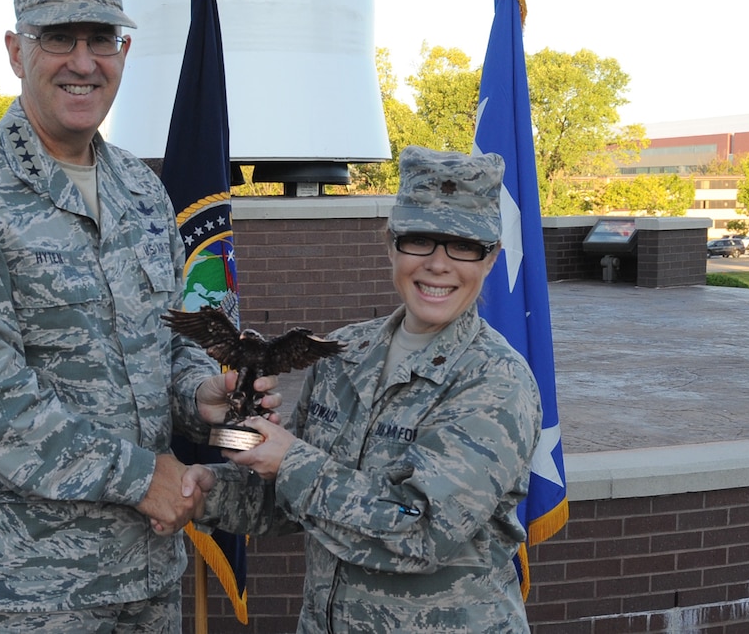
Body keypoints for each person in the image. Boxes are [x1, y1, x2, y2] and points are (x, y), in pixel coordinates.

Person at [0, 0, 276, 632]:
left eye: (101, 39)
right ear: (17, 51)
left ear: (123, 50)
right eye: (58, 37)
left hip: (146, 583)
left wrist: (204, 398)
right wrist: (141, 478)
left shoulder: (143, 193)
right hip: (18, 597)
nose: (83, 60)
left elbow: (173, 345)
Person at [186, 147, 543, 633]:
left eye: (463, 245)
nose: (439, 265)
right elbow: (295, 500)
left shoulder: (495, 381)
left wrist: (289, 459)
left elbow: (421, 529)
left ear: (491, 258)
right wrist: (209, 491)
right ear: (391, 244)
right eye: (419, 240)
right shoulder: (344, 351)